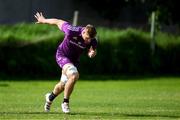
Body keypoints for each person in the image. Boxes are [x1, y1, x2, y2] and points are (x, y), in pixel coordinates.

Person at [34, 12, 98, 113]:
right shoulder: (71, 30)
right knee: (74, 75)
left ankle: (49, 98)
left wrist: (92, 53)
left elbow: (92, 50)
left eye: (90, 39)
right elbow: (57, 21)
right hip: (62, 55)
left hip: (73, 61)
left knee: (62, 85)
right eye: (87, 38)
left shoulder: (92, 40)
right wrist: (44, 20)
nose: (88, 41)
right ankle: (65, 102)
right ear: (84, 31)